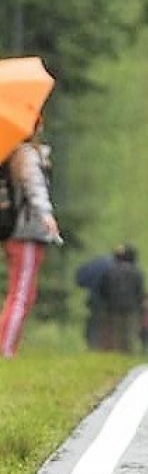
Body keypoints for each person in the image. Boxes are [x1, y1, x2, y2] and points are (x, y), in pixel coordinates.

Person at [2, 121, 60, 357]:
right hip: (26, 232)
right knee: (21, 293)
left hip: (23, 232)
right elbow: (35, 188)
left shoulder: (17, 153)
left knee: (25, 293)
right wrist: (46, 215)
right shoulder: (25, 156)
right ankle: (5, 348)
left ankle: (8, 346)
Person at [93, 245, 147, 353]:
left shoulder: (110, 271)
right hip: (131, 307)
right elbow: (139, 291)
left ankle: (118, 352)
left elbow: (103, 289)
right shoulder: (137, 272)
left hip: (114, 306)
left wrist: (107, 302)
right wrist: (139, 304)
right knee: (129, 331)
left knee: (116, 332)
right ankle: (128, 351)